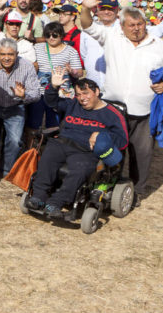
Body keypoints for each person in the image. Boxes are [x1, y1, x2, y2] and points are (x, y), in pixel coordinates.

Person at [81, 0, 163, 202]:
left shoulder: (158, 45)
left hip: (144, 111)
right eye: (131, 25)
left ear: (146, 24)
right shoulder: (112, 37)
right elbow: (87, 25)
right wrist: (85, 8)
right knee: (108, 148)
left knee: (142, 153)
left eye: (140, 24)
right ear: (122, 26)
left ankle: (137, 191)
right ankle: (105, 185)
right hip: (114, 109)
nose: (136, 29)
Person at [27, 73, 128, 219]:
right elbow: (51, 102)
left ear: (97, 92)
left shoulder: (112, 114)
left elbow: (123, 140)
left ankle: (55, 203)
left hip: (86, 150)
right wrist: (53, 87)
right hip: (63, 142)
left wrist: (102, 135)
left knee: (79, 170)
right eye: (79, 94)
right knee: (47, 158)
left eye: (86, 93)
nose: (82, 98)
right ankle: (38, 197)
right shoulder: (73, 104)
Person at [0, 38, 42, 177]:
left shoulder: (26, 66)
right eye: (3, 54)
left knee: (15, 140)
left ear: (16, 54)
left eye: (10, 54)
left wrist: (24, 96)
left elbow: (36, 94)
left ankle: (7, 170)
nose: (6, 58)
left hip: (16, 107)